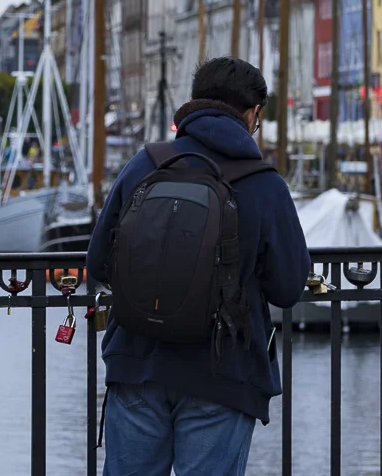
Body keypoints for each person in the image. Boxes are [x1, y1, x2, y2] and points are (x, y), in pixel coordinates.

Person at [85, 57, 310, 476]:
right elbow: (288, 287)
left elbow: (97, 260)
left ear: (194, 103)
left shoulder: (147, 163)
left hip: (137, 361)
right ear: (252, 113)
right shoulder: (264, 182)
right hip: (223, 373)